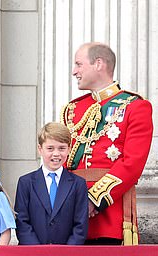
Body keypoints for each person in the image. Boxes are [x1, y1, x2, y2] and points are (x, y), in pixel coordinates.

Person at [61, 42, 153, 245]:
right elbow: (63, 161)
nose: (74, 71)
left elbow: (132, 164)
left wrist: (94, 199)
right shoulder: (73, 109)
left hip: (109, 213)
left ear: (98, 64)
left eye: (78, 64)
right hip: (70, 210)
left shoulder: (135, 106)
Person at [14, 123, 88, 245]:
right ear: (40, 149)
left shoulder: (78, 184)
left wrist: (67, 251)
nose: (56, 154)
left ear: (69, 149)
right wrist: (37, 250)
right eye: (50, 148)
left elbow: (80, 224)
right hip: (33, 254)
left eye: (61, 148)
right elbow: (22, 221)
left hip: (67, 255)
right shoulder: (26, 183)